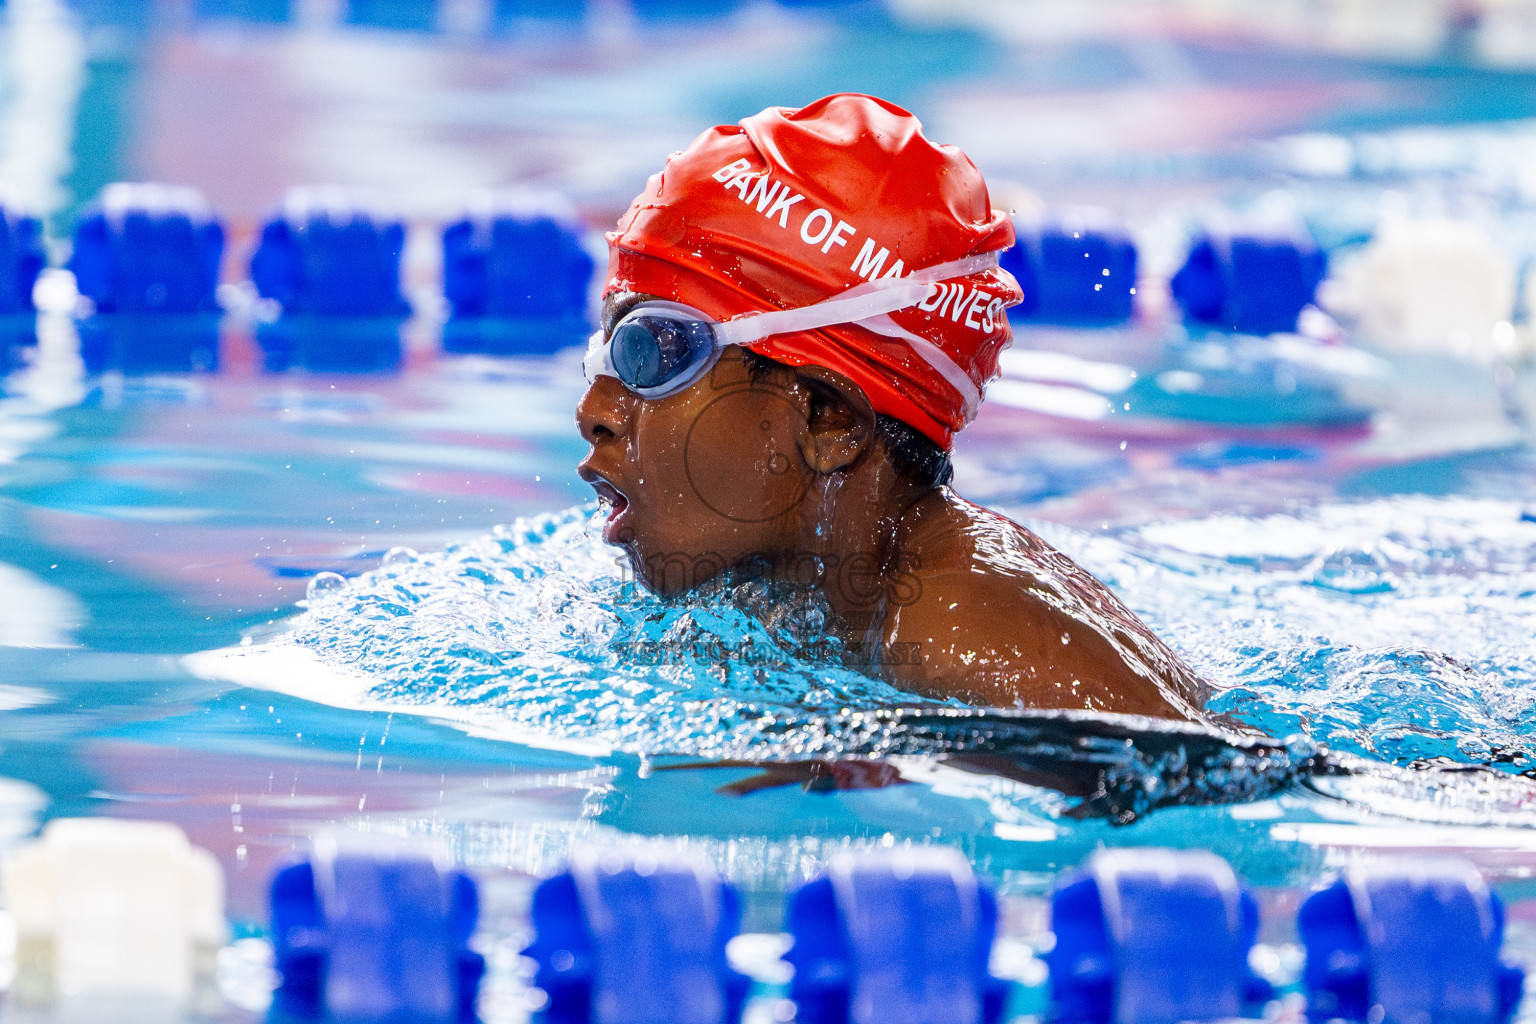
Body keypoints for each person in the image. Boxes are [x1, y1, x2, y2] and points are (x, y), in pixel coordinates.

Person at [576, 93, 1208, 720]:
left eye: (654, 351)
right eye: (604, 351)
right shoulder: (836, 593)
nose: (593, 410)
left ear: (831, 419)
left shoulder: (968, 647)